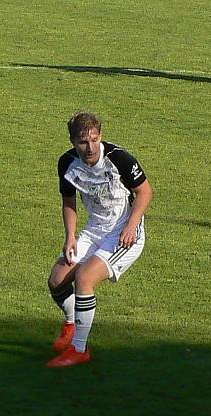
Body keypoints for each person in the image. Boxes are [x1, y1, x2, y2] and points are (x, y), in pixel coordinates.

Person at [46, 112, 154, 368]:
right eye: (83, 142)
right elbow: (69, 200)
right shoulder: (67, 163)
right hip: (95, 229)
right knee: (57, 280)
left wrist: (131, 225)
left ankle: (79, 350)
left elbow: (145, 192)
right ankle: (72, 325)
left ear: (101, 136)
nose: (90, 147)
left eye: (95, 140)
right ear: (73, 141)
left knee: (84, 278)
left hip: (124, 233)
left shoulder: (119, 159)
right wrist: (70, 235)